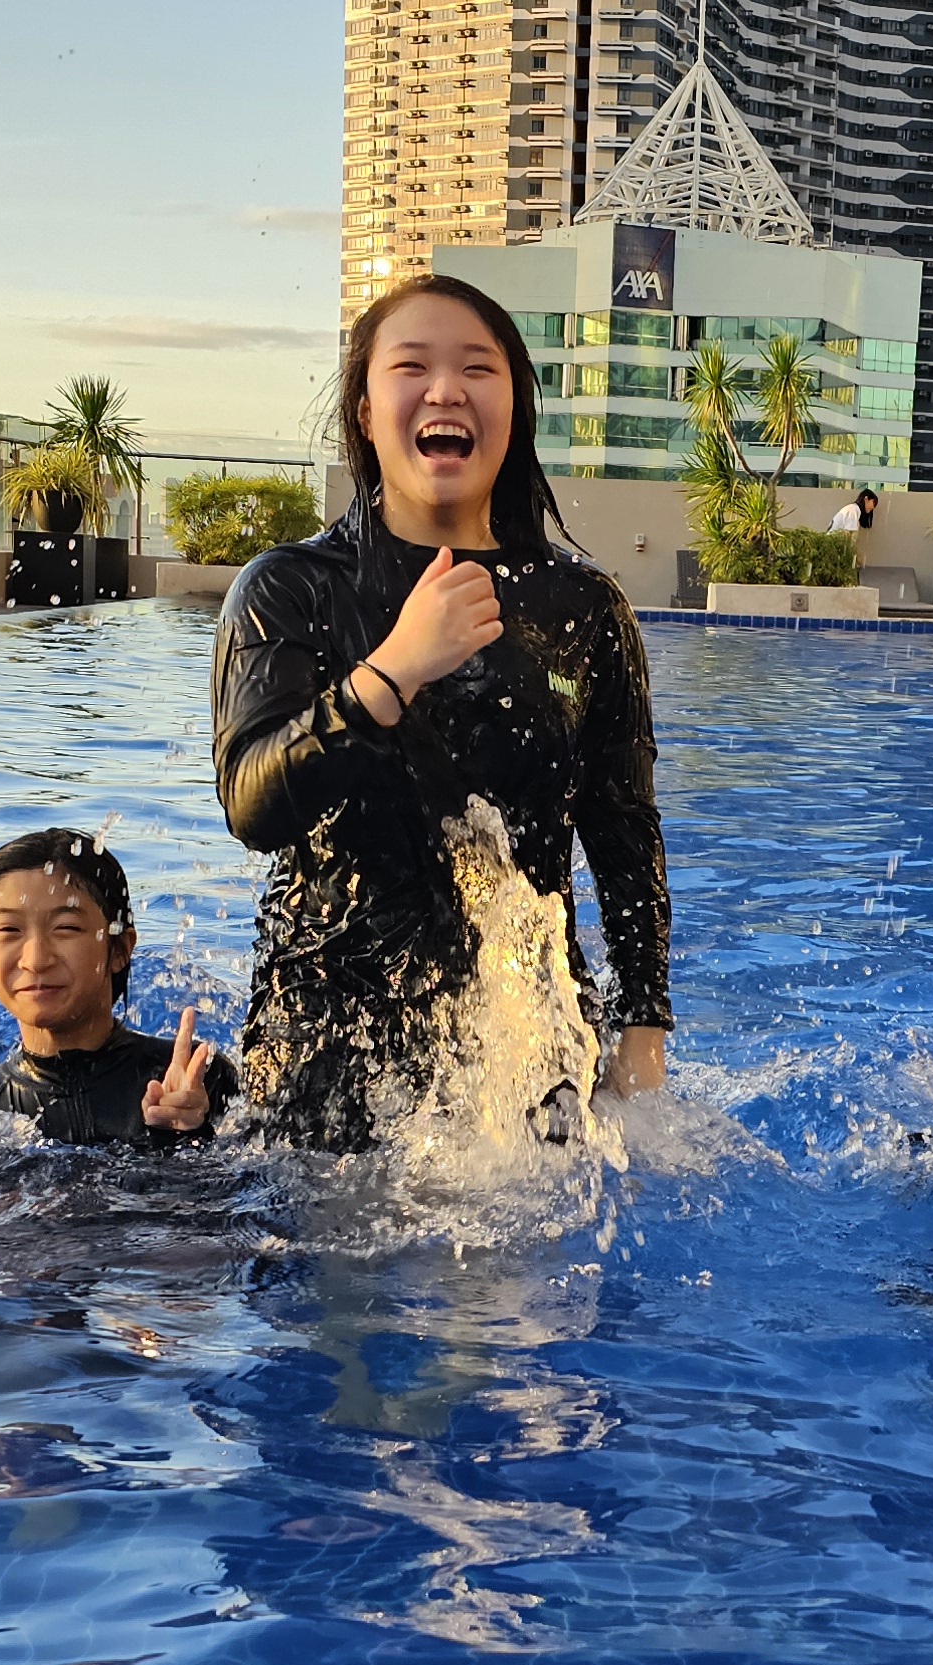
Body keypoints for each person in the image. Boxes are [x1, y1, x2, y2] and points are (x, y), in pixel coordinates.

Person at [209, 273, 671, 1150]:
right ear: (364, 410)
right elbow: (252, 804)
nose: (446, 389)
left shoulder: (584, 609)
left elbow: (624, 829)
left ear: (515, 409)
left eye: (478, 369)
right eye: (412, 366)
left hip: (529, 1048)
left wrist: (643, 1028)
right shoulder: (289, 589)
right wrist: (390, 672)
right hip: (330, 1056)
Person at [0, 829, 236, 1147]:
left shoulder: (194, 1081)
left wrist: (186, 1135)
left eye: (66, 929)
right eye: (9, 930)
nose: (36, 959)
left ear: (120, 949)